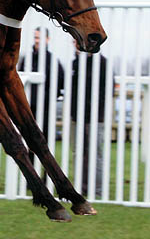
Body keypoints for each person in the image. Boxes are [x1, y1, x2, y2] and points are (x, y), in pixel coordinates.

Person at [18, 28, 65, 172]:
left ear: (47, 40)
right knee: (29, 142)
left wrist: (48, 98)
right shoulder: (27, 58)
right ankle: (32, 174)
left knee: (45, 143)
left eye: (39, 38)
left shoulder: (52, 61)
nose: (37, 41)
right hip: (29, 108)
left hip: (45, 109)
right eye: (35, 37)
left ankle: (46, 176)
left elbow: (59, 82)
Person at [70, 49, 112, 196]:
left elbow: (107, 90)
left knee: (95, 153)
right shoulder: (75, 63)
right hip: (77, 116)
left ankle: (98, 189)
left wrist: (94, 109)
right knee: (78, 153)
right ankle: (80, 187)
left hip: (95, 117)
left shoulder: (102, 63)